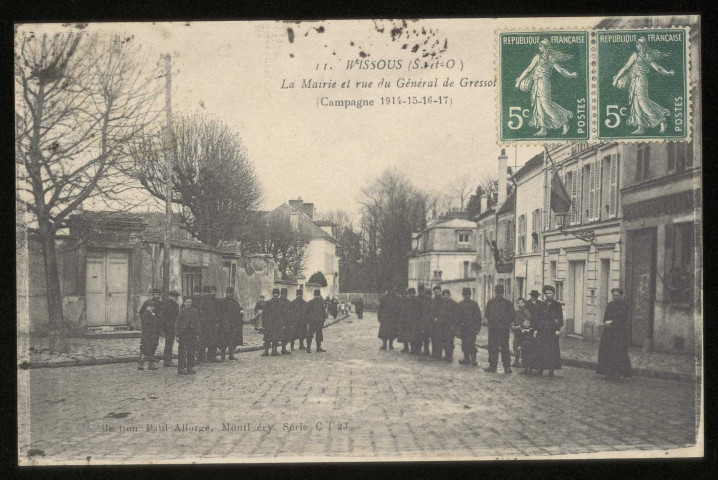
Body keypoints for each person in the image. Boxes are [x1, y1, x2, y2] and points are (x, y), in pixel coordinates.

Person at [515, 38, 578, 136]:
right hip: (537, 82)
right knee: (539, 104)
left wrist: (570, 75)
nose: (539, 48)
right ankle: (543, 128)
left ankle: (564, 122)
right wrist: (519, 80)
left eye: (541, 46)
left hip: (543, 82)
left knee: (545, 104)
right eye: (539, 46)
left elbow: (560, 70)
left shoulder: (545, 58)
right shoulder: (540, 57)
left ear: (545, 47)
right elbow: (529, 69)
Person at [612, 37, 675, 135]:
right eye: (636, 43)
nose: (637, 45)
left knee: (642, 102)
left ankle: (661, 120)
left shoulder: (646, 56)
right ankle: (640, 127)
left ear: (643, 45)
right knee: (635, 102)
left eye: (639, 44)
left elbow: (657, 68)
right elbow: (626, 67)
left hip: (641, 80)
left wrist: (668, 73)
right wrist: (616, 79)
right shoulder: (635, 55)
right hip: (633, 80)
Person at [596, 288, 633, 380]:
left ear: (621, 296)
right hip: (608, 333)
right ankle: (608, 372)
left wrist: (612, 322)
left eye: (617, 295)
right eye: (614, 295)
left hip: (619, 333)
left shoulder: (624, 306)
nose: (615, 297)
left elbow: (623, 319)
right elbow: (605, 317)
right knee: (607, 352)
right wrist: (606, 322)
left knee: (618, 353)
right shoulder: (610, 305)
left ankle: (617, 372)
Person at [532, 285, 563, 376]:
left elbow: (560, 318)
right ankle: (540, 368)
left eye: (550, 293)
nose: (548, 295)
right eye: (546, 293)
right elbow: (537, 318)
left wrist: (558, 329)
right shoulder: (541, 304)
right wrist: (536, 329)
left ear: (553, 294)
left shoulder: (557, 305)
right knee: (541, 349)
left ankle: (551, 369)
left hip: (552, 329)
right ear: (544, 294)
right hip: (542, 329)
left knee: (552, 349)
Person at [483, 284, 515, 373]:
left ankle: (507, 366)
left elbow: (512, 315)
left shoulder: (508, 304)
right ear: (495, 292)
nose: (499, 295)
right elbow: (487, 314)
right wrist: (493, 321)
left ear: (503, 293)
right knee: (492, 347)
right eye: (497, 293)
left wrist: (505, 322)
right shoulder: (490, 303)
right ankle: (493, 366)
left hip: (504, 330)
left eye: (500, 293)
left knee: (505, 347)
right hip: (493, 329)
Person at [457, 288, 482, 366]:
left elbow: (478, 317)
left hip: (472, 327)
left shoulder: (474, 304)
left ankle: (473, 359)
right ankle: (466, 359)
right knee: (464, 343)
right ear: (463, 295)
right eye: (465, 295)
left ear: (470, 295)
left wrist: (477, 328)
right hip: (463, 328)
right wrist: (457, 328)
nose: (466, 296)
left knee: (471, 343)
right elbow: (457, 317)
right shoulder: (460, 304)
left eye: (468, 295)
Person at [176, 297, 200, 375]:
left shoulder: (194, 311)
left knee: (191, 351)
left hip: (192, 333)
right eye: (187, 302)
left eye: (190, 302)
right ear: (184, 303)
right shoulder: (181, 311)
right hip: (183, 333)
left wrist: (197, 333)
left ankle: (189, 367)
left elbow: (197, 323)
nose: (188, 304)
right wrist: (177, 334)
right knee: (182, 351)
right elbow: (177, 323)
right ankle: (181, 368)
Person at [158, 290, 180, 367]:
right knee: (168, 344)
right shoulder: (166, 304)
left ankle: (168, 360)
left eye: (176, 296)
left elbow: (177, 317)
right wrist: (164, 328)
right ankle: (167, 361)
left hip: (174, 327)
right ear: (170, 296)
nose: (175, 298)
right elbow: (162, 316)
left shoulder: (176, 305)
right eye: (173, 296)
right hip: (168, 327)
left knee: (170, 343)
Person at [221, 286, 244, 361]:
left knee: (232, 340)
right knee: (224, 340)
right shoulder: (222, 302)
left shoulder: (235, 303)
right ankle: (223, 355)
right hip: (225, 324)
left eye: (230, 293)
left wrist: (240, 313)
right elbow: (221, 313)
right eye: (228, 293)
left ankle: (231, 355)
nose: (229, 295)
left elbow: (238, 313)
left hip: (233, 324)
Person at [198, 286, 220, 363]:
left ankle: (211, 356)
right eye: (206, 292)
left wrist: (215, 322)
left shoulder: (211, 300)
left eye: (209, 292)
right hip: (204, 324)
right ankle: (201, 357)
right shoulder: (202, 300)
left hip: (212, 323)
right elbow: (202, 313)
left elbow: (213, 313)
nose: (207, 294)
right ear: (203, 292)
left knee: (213, 340)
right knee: (203, 341)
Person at [437, 290, 460, 362]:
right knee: (442, 341)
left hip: (450, 326)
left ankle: (449, 356)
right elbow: (438, 313)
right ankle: (446, 355)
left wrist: (455, 326)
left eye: (447, 295)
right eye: (444, 295)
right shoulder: (440, 304)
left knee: (449, 342)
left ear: (450, 296)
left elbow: (456, 316)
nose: (446, 297)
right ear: (442, 296)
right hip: (441, 326)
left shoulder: (454, 304)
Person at [138, 303, 160, 371]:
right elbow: (146, 324)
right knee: (145, 348)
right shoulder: (146, 314)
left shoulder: (152, 314)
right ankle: (141, 363)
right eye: (150, 307)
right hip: (147, 334)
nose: (152, 308)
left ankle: (151, 364)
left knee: (152, 348)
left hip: (152, 334)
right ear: (147, 307)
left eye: (152, 307)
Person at [512, 297, 532, 368]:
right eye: (518, 302)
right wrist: (513, 326)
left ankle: (524, 362)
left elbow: (527, 321)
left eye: (521, 302)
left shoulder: (526, 312)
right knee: (515, 346)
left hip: (523, 332)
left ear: (524, 303)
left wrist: (519, 326)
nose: (520, 304)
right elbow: (513, 320)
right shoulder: (516, 312)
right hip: (516, 332)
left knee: (522, 346)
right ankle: (516, 361)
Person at [261, 289, 282, 357]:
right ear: (272, 294)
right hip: (269, 323)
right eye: (275, 293)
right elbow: (264, 314)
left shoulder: (280, 303)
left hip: (277, 324)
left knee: (276, 338)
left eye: (277, 294)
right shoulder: (268, 303)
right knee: (267, 338)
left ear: (279, 295)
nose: (276, 295)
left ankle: (274, 350)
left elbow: (283, 314)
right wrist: (264, 324)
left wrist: (282, 323)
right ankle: (266, 351)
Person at [429, 285, 444, 358]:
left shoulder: (443, 300)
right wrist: (433, 318)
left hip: (440, 323)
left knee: (440, 338)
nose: (437, 293)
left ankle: (439, 353)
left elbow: (443, 311)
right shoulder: (433, 300)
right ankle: (434, 352)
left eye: (438, 292)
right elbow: (431, 310)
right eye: (435, 292)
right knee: (433, 338)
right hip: (433, 322)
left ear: (440, 292)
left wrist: (438, 318)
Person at [418, 288, 433, 356]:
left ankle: (433, 351)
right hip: (424, 321)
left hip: (431, 322)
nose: (428, 296)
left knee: (432, 337)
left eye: (429, 294)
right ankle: (426, 350)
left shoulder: (433, 301)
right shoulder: (422, 302)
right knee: (424, 336)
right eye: (427, 294)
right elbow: (420, 312)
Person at [279, 288, 293, 355]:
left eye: (285, 294)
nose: (284, 296)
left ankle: (283, 348)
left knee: (286, 336)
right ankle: (274, 350)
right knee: (277, 335)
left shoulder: (288, 302)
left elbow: (291, 313)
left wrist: (290, 322)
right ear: (280, 294)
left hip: (286, 321)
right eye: (282, 294)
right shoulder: (278, 302)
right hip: (279, 321)